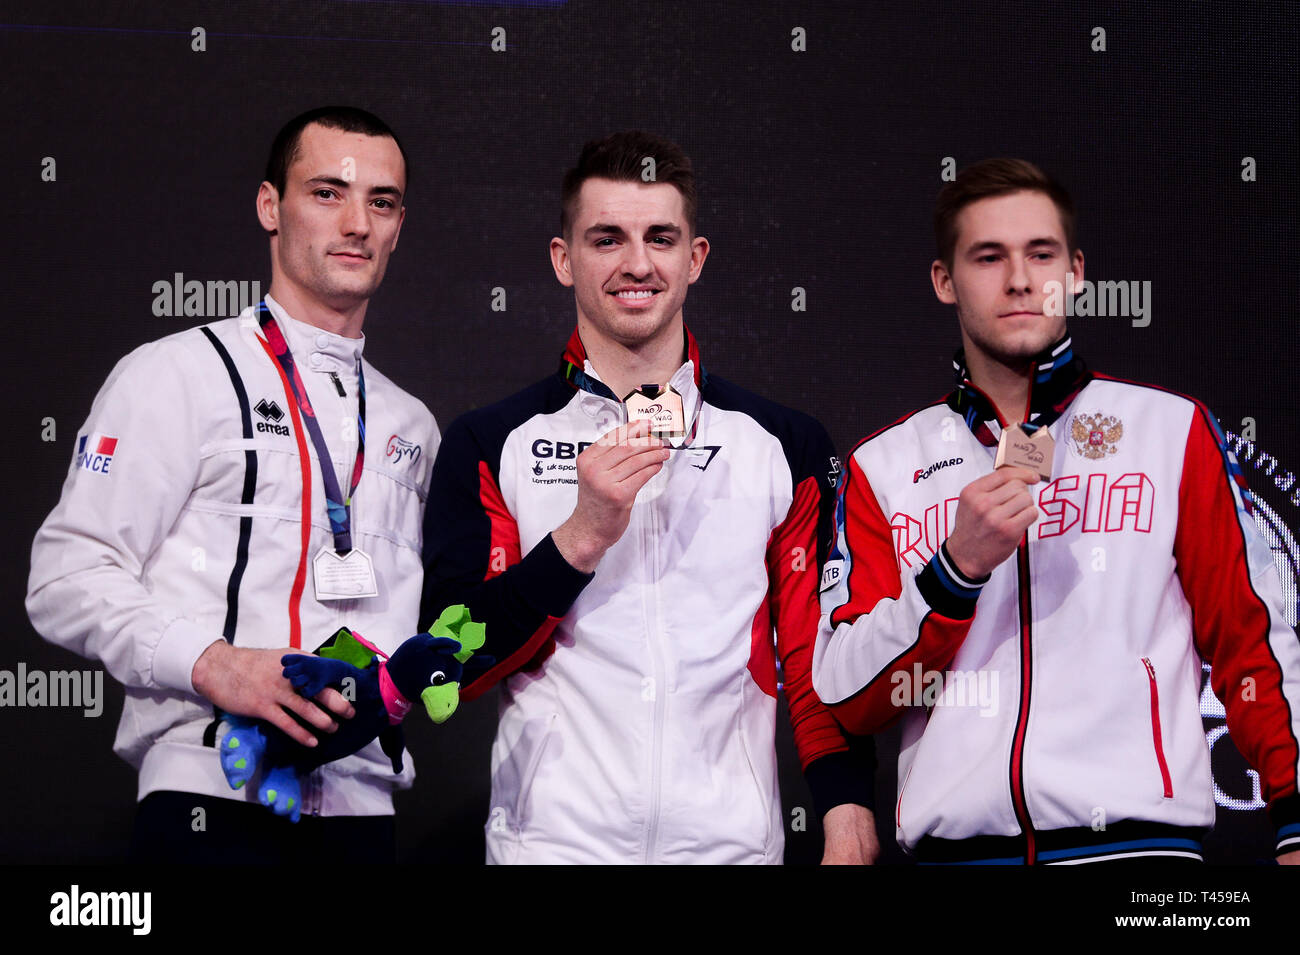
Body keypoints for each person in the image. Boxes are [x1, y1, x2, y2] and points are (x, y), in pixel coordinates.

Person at [812, 158, 1300, 864]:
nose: (1018, 279)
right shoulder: (883, 464)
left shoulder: (1168, 430)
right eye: (988, 256)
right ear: (943, 280)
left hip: (1140, 862)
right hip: (960, 855)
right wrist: (954, 571)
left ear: (1074, 271)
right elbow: (851, 693)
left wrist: (1293, 816)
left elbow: (1251, 640)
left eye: (1039, 254)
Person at [419, 130, 876, 864]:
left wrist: (848, 820)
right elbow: (449, 664)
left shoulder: (784, 442)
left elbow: (818, 655)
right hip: (551, 851)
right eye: (607, 239)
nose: (637, 264)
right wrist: (581, 537)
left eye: (660, 237)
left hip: (730, 851)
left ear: (694, 258)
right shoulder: (489, 439)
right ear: (563, 259)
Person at [26, 106, 438, 863]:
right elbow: (66, 576)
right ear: (270, 207)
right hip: (208, 800)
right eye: (326, 193)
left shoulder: (411, 423)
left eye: (381, 201)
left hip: (364, 812)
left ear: (400, 224)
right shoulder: (173, 373)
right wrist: (214, 663)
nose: (357, 223)